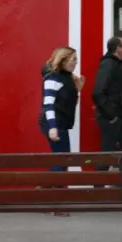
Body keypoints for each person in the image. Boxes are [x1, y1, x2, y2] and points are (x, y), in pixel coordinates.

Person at [41, 47, 84, 217]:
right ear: (63, 60)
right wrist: (52, 127)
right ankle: (57, 203)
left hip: (61, 123)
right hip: (53, 123)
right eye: (73, 59)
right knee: (61, 160)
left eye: (76, 59)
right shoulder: (53, 78)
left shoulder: (68, 78)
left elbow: (68, 103)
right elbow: (48, 104)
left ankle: (44, 189)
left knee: (62, 159)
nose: (75, 63)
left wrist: (78, 89)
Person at [92, 37, 122, 154]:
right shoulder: (108, 64)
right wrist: (112, 115)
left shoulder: (116, 65)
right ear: (118, 48)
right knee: (108, 153)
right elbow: (98, 92)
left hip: (119, 117)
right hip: (110, 118)